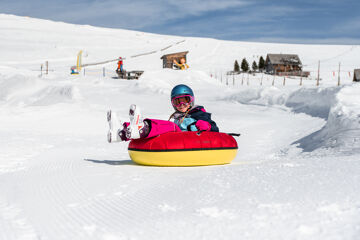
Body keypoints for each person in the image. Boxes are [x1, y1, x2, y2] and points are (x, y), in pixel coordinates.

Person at [107, 84, 219, 143]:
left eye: (185, 100)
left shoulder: (199, 113)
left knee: (171, 127)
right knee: (164, 128)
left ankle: (142, 128)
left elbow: (215, 129)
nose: (181, 105)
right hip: (179, 141)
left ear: (192, 100)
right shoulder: (177, 117)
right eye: (177, 102)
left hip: (192, 140)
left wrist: (208, 126)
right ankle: (122, 132)